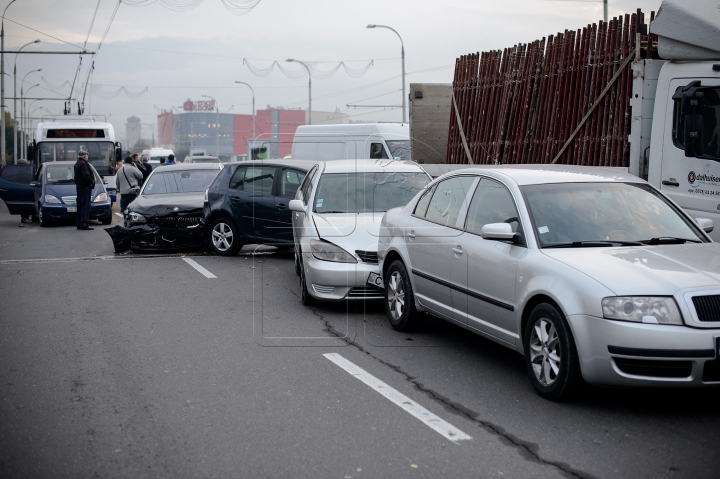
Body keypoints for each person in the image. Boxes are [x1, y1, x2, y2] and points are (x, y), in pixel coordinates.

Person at [74, 150, 95, 230]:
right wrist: (91, 180)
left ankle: (79, 224)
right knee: (85, 207)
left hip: (79, 187)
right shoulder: (84, 164)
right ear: (85, 156)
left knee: (80, 206)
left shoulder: (77, 164)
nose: (87, 157)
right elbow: (85, 175)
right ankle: (84, 224)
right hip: (85, 187)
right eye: (87, 156)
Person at [16, 159, 32, 223]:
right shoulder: (23, 171)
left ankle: (25, 217)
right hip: (25, 189)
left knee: (24, 204)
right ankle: (25, 218)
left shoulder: (19, 171)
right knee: (26, 204)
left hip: (22, 188)